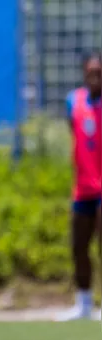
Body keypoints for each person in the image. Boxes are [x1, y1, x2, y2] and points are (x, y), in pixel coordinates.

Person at [56, 52, 102, 321]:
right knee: (78, 246)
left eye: (100, 71)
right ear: (84, 72)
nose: (95, 76)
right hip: (83, 187)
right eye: (91, 71)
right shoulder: (74, 100)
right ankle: (83, 303)